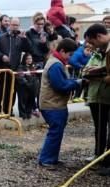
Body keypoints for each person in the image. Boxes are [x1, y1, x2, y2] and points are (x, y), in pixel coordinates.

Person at [38, 38, 81, 169]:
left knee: (57, 132)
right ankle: (46, 159)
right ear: (62, 51)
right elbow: (60, 85)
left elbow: (62, 81)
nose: (70, 58)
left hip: (54, 104)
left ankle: (51, 158)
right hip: (52, 105)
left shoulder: (56, 62)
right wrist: (76, 83)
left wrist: (74, 81)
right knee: (55, 132)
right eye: (70, 54)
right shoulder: (56, 64)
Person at [0, 18, 32, 116]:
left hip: (14, 69)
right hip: (2, 68)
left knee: (11, 92)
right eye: (13, 25)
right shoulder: (1, 37)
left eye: (17, 25)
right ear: (10, 25)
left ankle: (8, 110)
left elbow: (28, 49)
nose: (15, 27)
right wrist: (2, 56)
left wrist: (24, 39)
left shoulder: (20, 38)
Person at [83, 47, 110, 176]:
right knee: (99, 128)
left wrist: (97, 73)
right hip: (95, 97)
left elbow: (105, 73)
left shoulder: (107, 56)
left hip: (107, 97)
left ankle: (107, 159)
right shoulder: (95, 55)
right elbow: (85, 71)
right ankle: (98, 155)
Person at [17, 53, 40, 119]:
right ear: (24, 59)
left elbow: (35, 76)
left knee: (30, 100)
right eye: (28, 58)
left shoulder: (32, 67)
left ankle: (28, 113)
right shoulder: (21, 66)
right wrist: (27, 83)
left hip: (31, 87)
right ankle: (23, 114)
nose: (29, 60)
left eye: (30, 58)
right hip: (23, 87)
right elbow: (20, 77)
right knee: (23, 101)